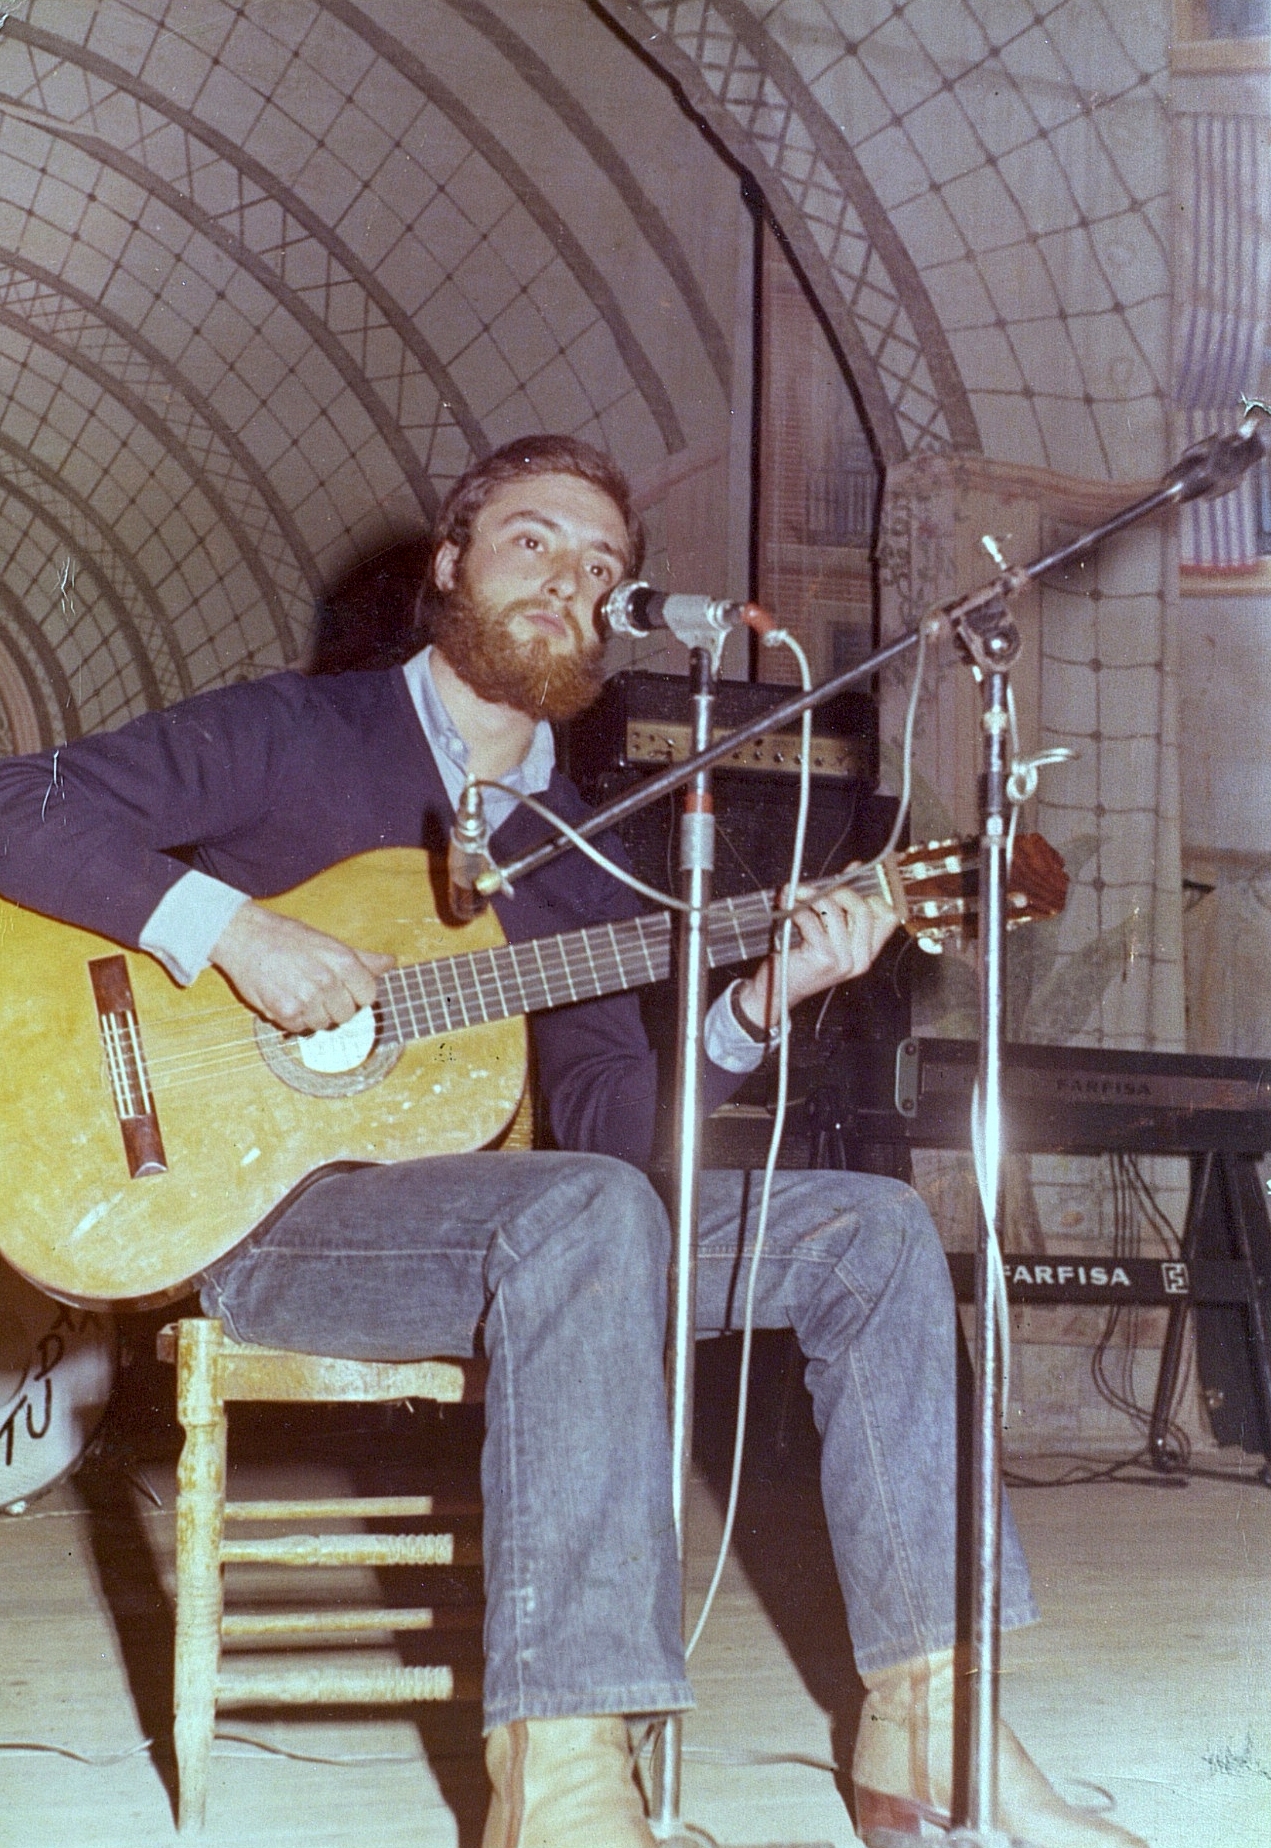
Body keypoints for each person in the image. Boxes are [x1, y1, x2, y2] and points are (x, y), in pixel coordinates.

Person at [0, 436, 1145, 1848]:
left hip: (509, 1227)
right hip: (235, 1216)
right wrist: (232, 931)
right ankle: (561, 1785)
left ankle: (931, 1714)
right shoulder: (289, 734)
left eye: (605, 566)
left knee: (869, 1228)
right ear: (448, 566)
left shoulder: (585, 850)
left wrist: (756, 998)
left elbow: (617, 1127)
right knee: (581, 1215)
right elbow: (18, 806)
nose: (574, 582)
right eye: (535, 541)